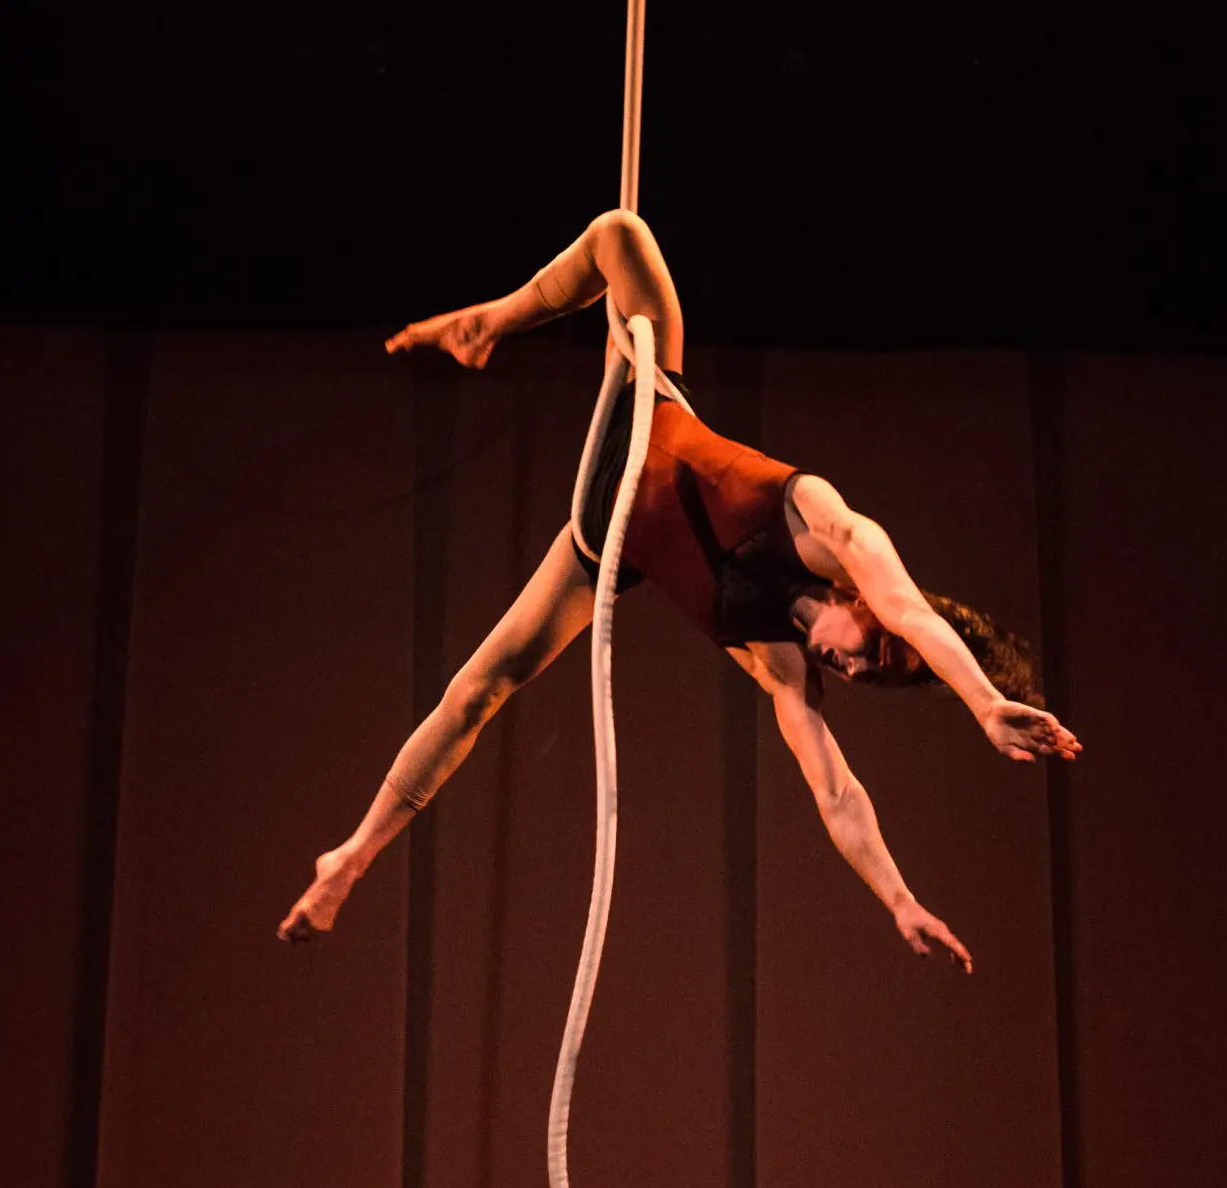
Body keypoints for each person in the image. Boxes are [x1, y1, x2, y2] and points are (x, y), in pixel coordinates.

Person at [278, 209, 1081, 968]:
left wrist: (899, 901)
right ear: (865, 603)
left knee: (478, 693)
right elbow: (910, 607)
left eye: (872, 679)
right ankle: (492, 320)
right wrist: (982, 703)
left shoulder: (778, 664)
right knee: (621, 234)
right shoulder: (822, 522)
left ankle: (350, 858)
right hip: (646, 404)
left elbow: (836, 793)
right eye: (875, 653)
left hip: (606, 541)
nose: (859, 670)